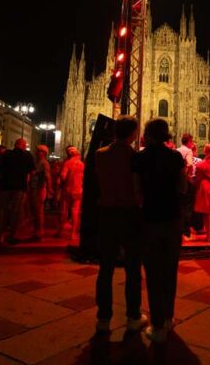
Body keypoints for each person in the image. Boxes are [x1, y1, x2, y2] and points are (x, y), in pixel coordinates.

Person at [133, 119, 188, 344]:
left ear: (148, 134)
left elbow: (137, 193)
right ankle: (168, 318)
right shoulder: (175, 157)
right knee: (170, 269)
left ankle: (157, 327)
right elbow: (183, 187)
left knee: (153, 272)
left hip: (150, 220)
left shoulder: (140, 158)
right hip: (172, 219)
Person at [94, 116, 147, 334]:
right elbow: (137, 188)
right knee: (133, 268)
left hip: (107, 213)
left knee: (105, 269)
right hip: (129, 214)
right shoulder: (135, 157)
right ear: (133, 134)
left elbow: (97, 182)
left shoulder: (100, 154)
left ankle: (103, 318)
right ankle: (133, 316)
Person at [0, 138, 35, 245]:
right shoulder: (27, 155)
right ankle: (12, 236)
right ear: (23, 146)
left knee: (2, 211)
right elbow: (32, 171)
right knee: (16, 212)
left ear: (15, 145)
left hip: (4, 186)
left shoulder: (6, 154)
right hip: (20, 187)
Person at [56, 146, 84, 239]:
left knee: (63, 211)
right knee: (75, 212)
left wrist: (59, 184)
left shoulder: (68, 163)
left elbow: (63, 177)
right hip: (78, 191)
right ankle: (73, 234)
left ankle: (60, 232)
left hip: (67, 190)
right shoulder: (81, 164)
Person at [28, 145, 53, 241]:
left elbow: (47, 176)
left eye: (39, 151)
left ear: (44, 153)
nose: (37, 152)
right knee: (35, 211)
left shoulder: (44, 163)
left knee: (39, 211)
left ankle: (40, 231)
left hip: (39, 188)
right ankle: (37, 230)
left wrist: (49, 188)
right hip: (35, 188)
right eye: (37, 151)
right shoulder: (38, 162)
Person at [177, 133, 197, 240]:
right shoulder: (188, 151)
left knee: (179, 205)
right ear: (189, 142)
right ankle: (186, 231)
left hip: (177, 181)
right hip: (186, 182)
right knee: (188, 207)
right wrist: (187, 175)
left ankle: (178, 230)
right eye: (191, 141)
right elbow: (190, 164)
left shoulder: (177, 150)